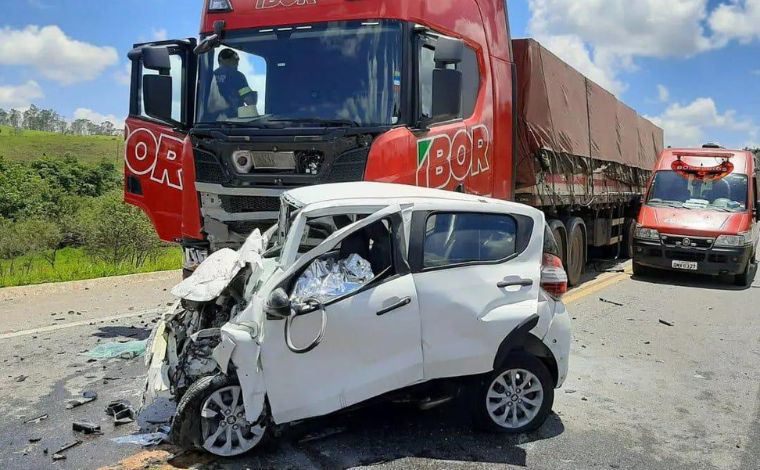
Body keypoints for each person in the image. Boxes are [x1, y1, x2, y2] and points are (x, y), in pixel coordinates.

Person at [207, 48, 258, 120]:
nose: (238, 62)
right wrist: (254, 95)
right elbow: (250, 101)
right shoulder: (238, 76)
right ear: (226, 60)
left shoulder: (210, 77)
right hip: (232, 123)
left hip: (211, 123)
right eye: (236, 59)